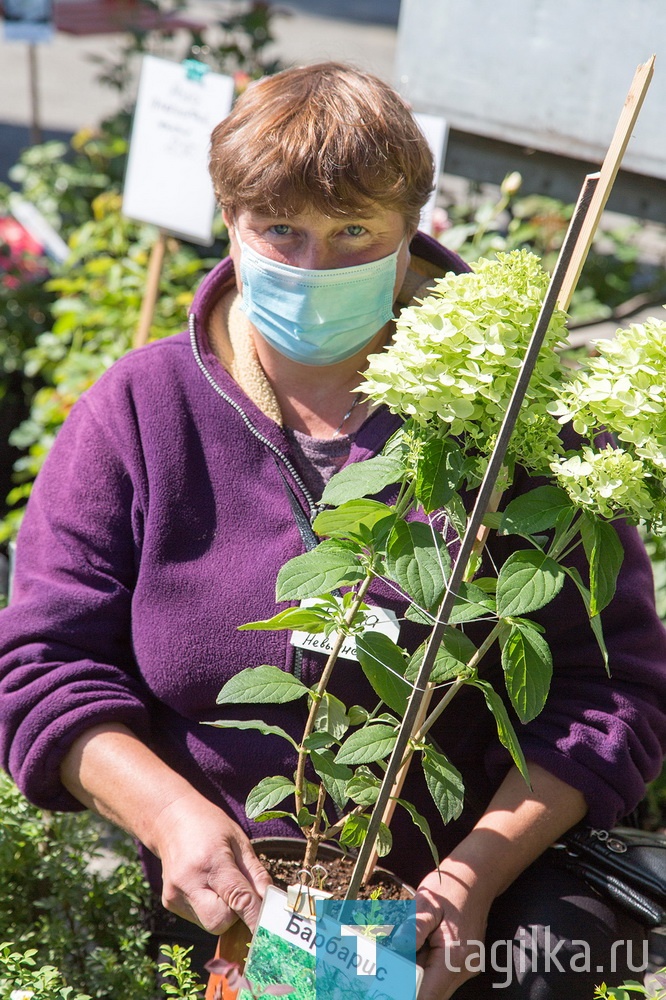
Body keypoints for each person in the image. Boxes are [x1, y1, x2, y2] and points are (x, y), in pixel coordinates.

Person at [1, 62, 666, 1000]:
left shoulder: (518, 417)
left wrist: (470, 881)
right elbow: (42, 667)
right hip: (226, 910)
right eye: (283, 231)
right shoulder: (144, 411)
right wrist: (172, 818)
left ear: (411, 237)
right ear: (230, 223)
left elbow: (616, 693)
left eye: (355, 231)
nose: (316, 267)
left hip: (464, 909)